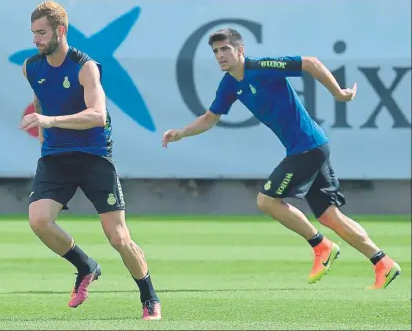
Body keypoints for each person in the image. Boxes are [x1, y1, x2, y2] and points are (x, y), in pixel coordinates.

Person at [162, 28, 401, 289]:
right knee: (330, 216)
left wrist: (338, 93)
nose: (220, 55)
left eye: (225, 49)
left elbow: (310, 62)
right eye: (216, 51)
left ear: (240, 50)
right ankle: (382, 263)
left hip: (307, 148)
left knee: (266, 201)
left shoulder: (261, 67)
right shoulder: (230, 84)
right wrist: (181, 133)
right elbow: (210, 118)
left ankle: (321, 245)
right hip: (310, 147)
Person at [20, 1, 161, 319]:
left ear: (61, 30)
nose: (36, 40)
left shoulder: (85, 66)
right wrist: (43, 131)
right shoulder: (31, 67)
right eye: (33, 34)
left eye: (42, 33)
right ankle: (86, 267)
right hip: (55, 158)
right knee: (39, 220)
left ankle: (149, 297)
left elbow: (97, 116)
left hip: (94, 157)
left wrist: (50, 121)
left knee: (119, 238)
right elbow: (40, 99)